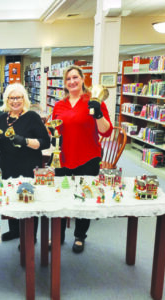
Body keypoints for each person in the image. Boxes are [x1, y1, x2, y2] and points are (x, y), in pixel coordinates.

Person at [51, 65, 113, 253]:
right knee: (60, 197)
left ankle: (80, 236)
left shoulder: (94, 101)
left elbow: (107, 131)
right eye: (68, 79)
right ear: (64, 83)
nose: (72, 82)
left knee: (85, 196)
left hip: (88, 156)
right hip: (63, 157)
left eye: (75, 77)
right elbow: (55, 129)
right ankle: (57, 236)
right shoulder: (59, 105)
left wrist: (99, 114)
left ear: (83, 78)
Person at [0, 83, 50, 247]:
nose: (15, 101)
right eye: (12, 98)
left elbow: (45, 142)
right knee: (10, 196)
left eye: (19, 97)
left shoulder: (32, 117)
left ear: (24, 99)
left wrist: (25, 141)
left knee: (28, 198)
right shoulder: (3, 118)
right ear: (6, 100)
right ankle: (15, 230)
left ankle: (31, 236)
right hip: (8, 164)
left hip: (28, 165)